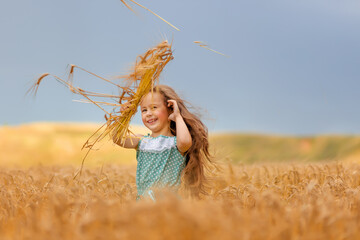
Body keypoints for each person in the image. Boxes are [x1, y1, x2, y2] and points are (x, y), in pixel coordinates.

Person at [114, 85, 212, 200]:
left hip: (167, 203)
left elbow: (185, 142)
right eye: (144, 110)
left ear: (170, 109)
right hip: (144, 203)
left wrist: (177, 116)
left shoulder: (175, 143)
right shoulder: (142, 141)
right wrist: (124, 115)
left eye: (154, 107)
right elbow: (117, 138)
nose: (148, 113)